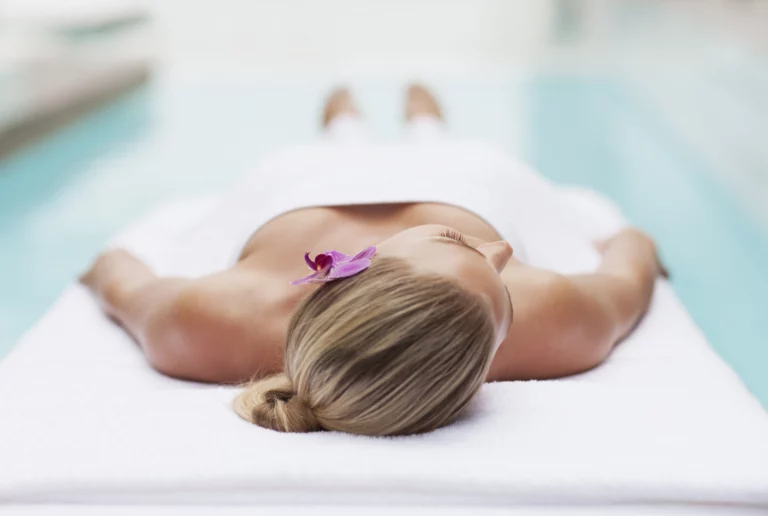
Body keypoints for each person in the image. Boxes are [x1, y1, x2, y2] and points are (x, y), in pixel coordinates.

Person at [81, 85, 665, 436]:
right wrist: (632, 243)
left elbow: (116, 273)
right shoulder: (554, 322)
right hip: (462, 179)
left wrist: (106, 270)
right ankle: (426, 125)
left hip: (301, 183)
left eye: (462, 246)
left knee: (329, 150)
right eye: (503, 289)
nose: (502, 250)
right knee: (448, 150)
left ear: (359, 268)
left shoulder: (209, 322)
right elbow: (631, 262)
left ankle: (344, 125)